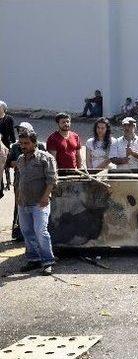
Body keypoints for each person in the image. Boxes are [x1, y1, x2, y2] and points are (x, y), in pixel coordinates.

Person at [15, 131, 57, 275]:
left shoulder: (45, 158)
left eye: (26, 143)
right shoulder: (21, 159)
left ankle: (48, 261)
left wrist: (45, 198)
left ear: (34, 142)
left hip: (40, 203)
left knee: (41, 231)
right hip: (24, 202)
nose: (23, 146)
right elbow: (20, 180)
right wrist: (19, 197)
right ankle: (33, 259)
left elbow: (51, 180)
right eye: (21, 143)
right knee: (27, 231)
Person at [7, 122, 46, 241]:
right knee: (20, 206)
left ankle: (37, 233)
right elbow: (9, 162)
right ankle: (18, 232)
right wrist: (20, 164)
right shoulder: (15, 146)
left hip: (37, 182)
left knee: (38, 207)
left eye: (23, 129)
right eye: (19, 130)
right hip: (20, 181)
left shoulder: (40, 146)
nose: (20, 132)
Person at [0, 100, 16, 190]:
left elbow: (11, 131)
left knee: (6, 163)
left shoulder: (8, 118)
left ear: (3, 108)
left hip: (5, 142)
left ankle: (8, 182)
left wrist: (13, 141)